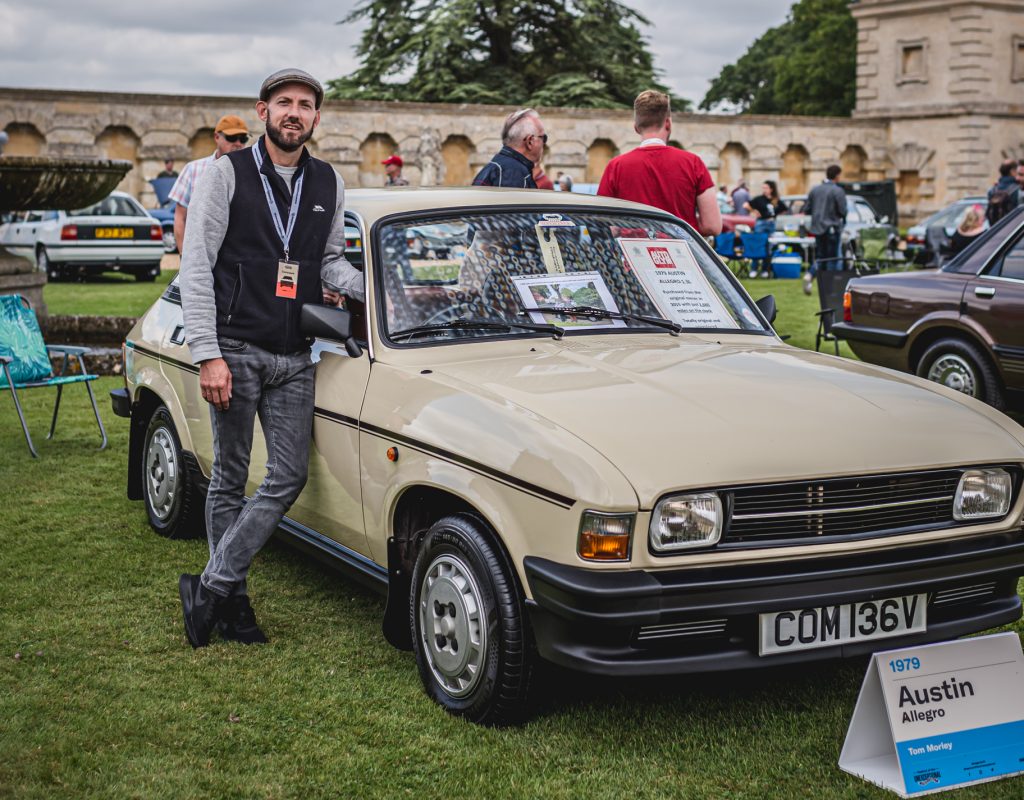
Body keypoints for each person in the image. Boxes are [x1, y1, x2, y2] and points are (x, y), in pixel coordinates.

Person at [176, 68, 364, 649]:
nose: (294, 113)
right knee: (230, 476)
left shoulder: (328, 181)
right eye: (284, 102)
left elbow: (328, 260)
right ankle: (234, 603)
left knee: (288, 476)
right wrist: (207, 354)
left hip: (296, 356)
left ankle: (212, 585)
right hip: (235, 349)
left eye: (305, 105)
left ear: (314, 118)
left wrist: (373, 285)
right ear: (262, 111)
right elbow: (196, 266)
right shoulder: (224, 174)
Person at [597, 90, 721, 236]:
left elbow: (603, 225)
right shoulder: (693, 163)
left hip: (633, 255)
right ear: (668, 123)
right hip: (682, 254)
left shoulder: (615, 166)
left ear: (636, 127)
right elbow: (712, 226)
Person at [169, 114, 250, 251]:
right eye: (231, 138)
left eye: (243, 139)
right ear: (217, 137)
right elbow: (180, 217)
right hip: (201, 253)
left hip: (240, 255)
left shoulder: (254, 172)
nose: (238, 143)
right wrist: (183, 255)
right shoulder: (193, 169)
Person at [471, 108, 545, 188]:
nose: (544, 143)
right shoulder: (513, 173)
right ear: (530, 141)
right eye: (543, 138)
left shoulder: (501, 167)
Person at [802, 164, 847, 295]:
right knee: (832, 259)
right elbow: (842, 210)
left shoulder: (815, 190)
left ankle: (810, 275)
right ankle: (829, 288)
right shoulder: (837, 191)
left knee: (821, 257)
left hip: (817, 228)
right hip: (832, 228)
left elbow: (807, 209)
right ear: (837, 175)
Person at [744, 180, 786, 277]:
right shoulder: (759, 199)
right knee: (758, 246)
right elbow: (746, 205)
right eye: (763, 188)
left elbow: (784, 209)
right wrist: (754, 211)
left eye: (766, 188)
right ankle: (754, 269)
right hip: (761, 223)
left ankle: (765, 270)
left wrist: (775, 215)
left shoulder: (775, 200)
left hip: (771, 224)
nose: (764, 190)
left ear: (771, 189)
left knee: (769, 247)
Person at [986, 159, 1020, 225]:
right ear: (1012, 171)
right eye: (1017, 171)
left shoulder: (992, 190)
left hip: (995, 229)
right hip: (1013, 228)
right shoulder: (1018, 190)